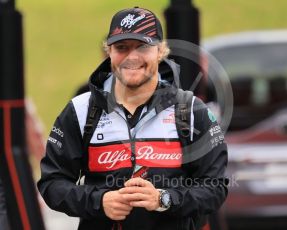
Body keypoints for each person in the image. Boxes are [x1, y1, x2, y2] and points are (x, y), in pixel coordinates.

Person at [37, 6, 228, 230]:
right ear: (109, 52)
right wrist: (99, 201)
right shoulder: (80, 110)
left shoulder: (192, 111)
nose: (132, 57)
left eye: (142, 46)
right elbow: (52, 183)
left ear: (160, 51)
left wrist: (164, 199)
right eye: (122, 47)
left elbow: (215, 186)